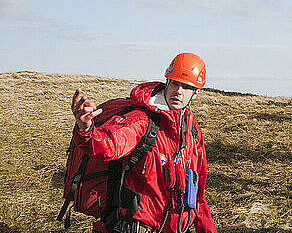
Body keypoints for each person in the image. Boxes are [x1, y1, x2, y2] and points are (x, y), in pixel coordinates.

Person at [70, 52, 217, 233]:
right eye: (175, 83)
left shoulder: (193, 133)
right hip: (135, 227)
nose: (178, 91)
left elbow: (199, 196)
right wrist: (86, 130)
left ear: (195, 93)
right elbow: (108, 145)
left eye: (186, 87)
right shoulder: (142, 120)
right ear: (167, 82)